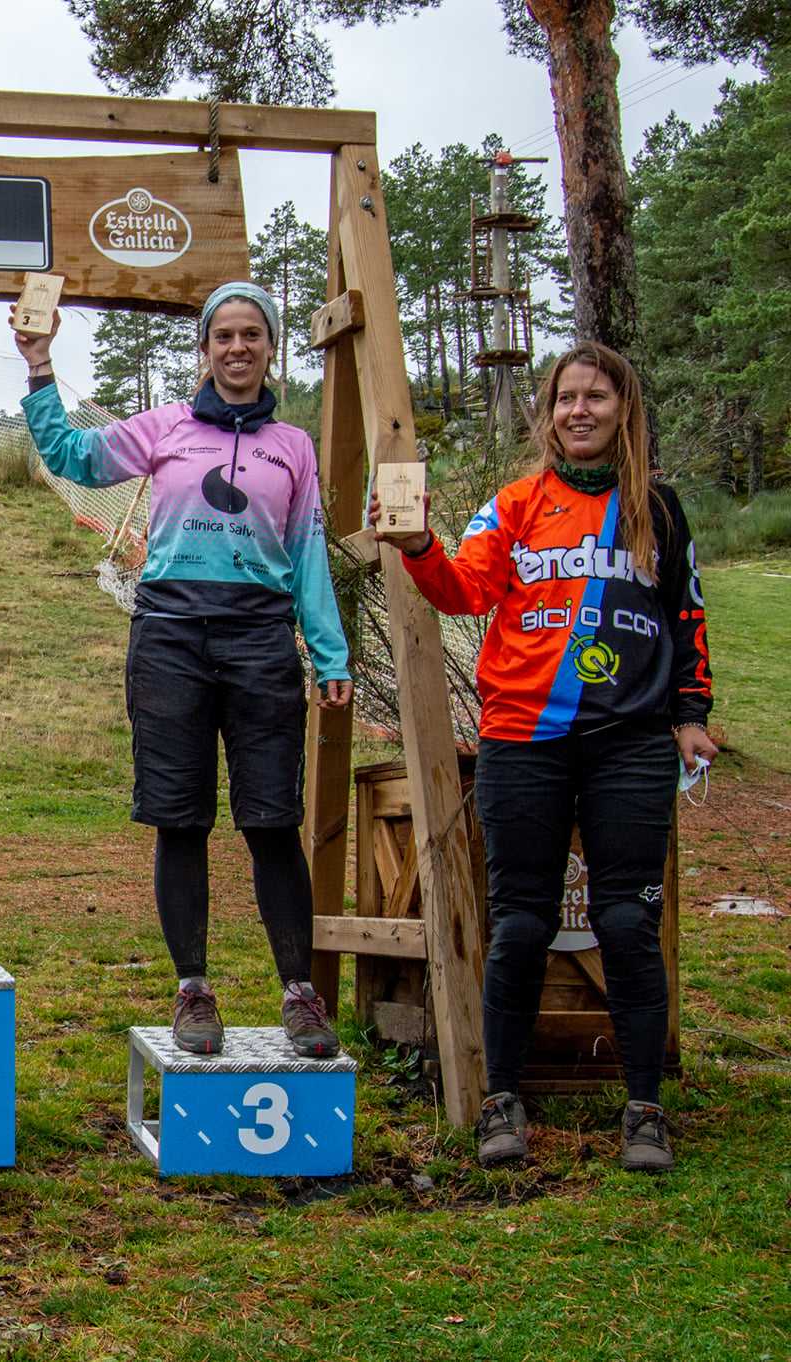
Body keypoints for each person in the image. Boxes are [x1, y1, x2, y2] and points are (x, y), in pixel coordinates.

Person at [373, 340, 713, 1172]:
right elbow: (462, 592)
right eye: (565, 399)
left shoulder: (657, 511)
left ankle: (643, 1109)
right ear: (548, 413)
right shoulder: (515, 503)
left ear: (623, 410)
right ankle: (501, 1101)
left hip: (629, 742)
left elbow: (687, 621)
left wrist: (693, 715)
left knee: (626, 923)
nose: (579, 411)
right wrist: (419, 547)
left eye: (596, 397)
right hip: (522, 737)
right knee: (520, 923)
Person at [13, 282, 353, 1058]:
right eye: (223, 336)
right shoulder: (162, 428)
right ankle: (193, 992)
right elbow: (71, 456)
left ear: (271, 348)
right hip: (169, 638)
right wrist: (39, 367)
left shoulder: (293, 449)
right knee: (180, 816)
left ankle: (301, 997)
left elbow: (307, 561)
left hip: (262, 641)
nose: (237, 348)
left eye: (252, 336)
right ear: (203, 349)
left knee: (272, 819)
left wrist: (329, 654)